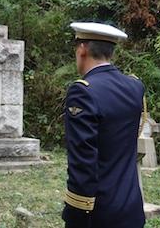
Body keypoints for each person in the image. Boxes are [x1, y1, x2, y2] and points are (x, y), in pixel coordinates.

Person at [62, 22, 146, 228]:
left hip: (99, 214)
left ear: (82, 49)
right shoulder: (135, 86)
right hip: (132, 207)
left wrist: (76, 214)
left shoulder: (83, 92)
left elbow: (83, 163)